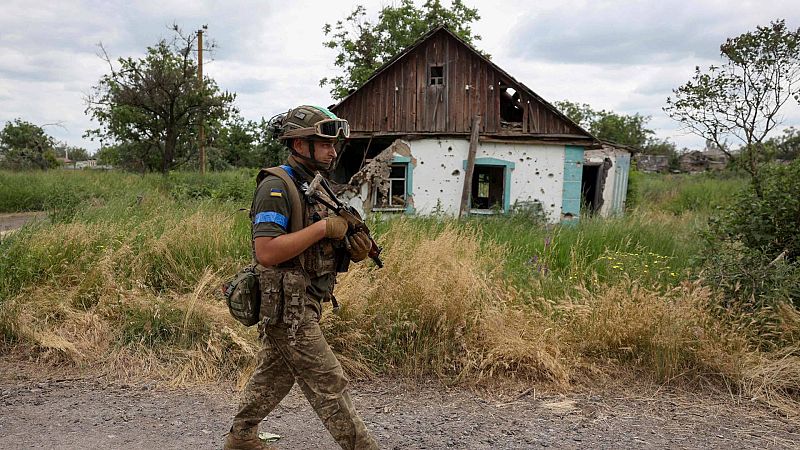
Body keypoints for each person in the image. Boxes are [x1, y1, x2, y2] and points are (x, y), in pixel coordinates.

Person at [224, 105, 378, 450]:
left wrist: (350, 247)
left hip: (306, 299)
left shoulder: (315, 185)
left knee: (275, 375)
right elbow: (267, 252)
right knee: (329, 383)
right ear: (298, 144)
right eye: (324, 144)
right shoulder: (276, 187)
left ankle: (241, 437)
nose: (332, 152)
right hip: (287, 306)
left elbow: (315, 246)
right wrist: (323, 228)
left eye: (333, 145)